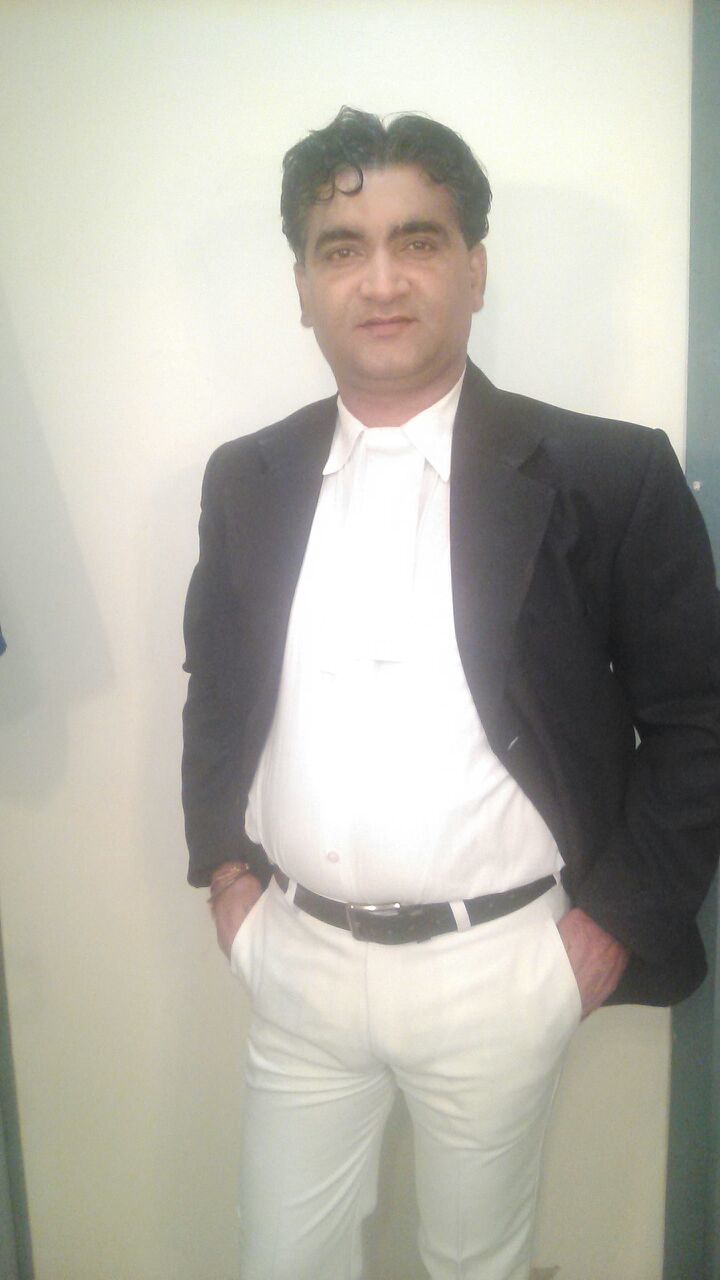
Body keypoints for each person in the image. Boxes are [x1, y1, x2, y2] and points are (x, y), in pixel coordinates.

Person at [182, 107, 720, 1280]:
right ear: (303, 287)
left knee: (479, 1263)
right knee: (280, 1261)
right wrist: (226, 875)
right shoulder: (246, 476)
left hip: (504, 967)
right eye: (341, 247)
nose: (380, 280)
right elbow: (217, 688)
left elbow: (699, 720)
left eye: (417, 240)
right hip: (295, 958)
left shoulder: (608, 471)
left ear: (474, 268)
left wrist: (610, 927)